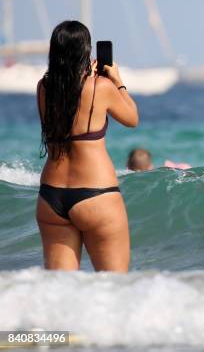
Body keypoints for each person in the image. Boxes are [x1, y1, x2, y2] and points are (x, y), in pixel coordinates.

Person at [36, 21, 138, 272]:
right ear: (85, 51)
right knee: (113, 288)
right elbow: (132, 118)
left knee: (61, 290)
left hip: (51, 197)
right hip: (96, 195)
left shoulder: (44, 88)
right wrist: (117, 81)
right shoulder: (100, 88)